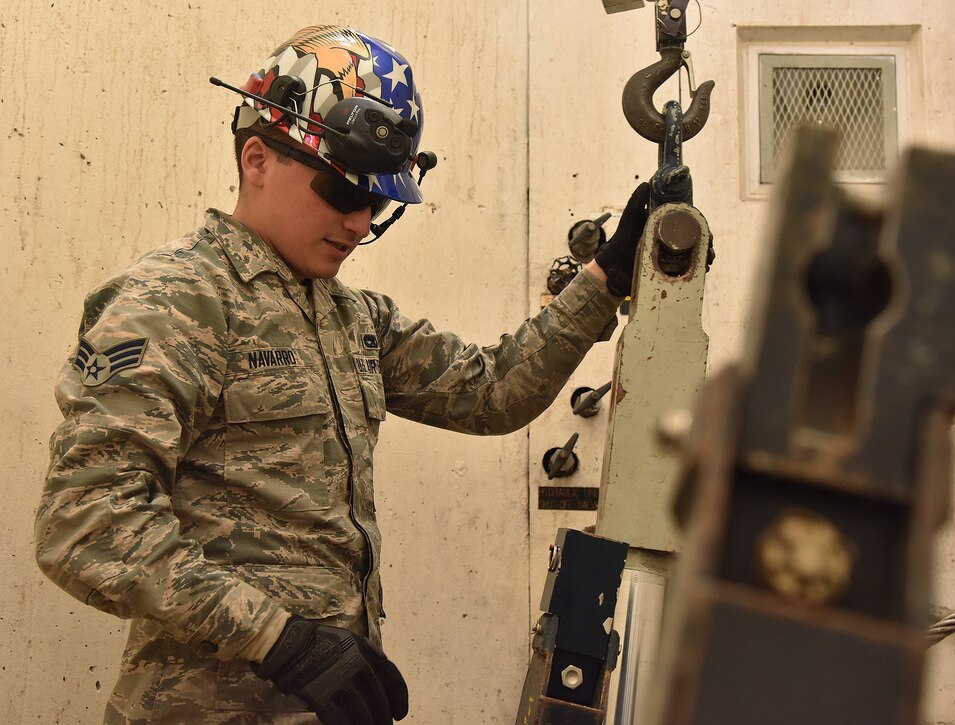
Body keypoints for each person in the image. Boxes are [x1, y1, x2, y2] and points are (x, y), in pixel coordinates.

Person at [34, 24, 650, 725]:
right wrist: (277, 638)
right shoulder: (174, 300)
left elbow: (492, 390)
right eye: (339, 191)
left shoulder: (350, 317)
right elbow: (85, 522)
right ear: (257, 159)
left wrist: (607, 275)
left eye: (377, 204)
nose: (358, 221)